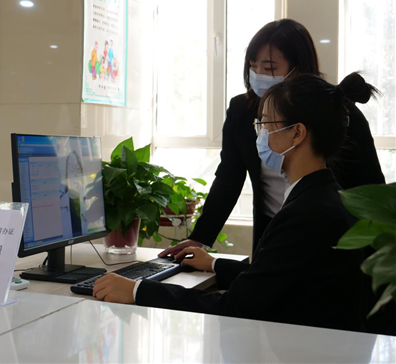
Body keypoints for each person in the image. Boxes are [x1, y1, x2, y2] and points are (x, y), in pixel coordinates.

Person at [92, 73, 376, 332]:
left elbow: (235, 308)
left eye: (266, 123)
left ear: (297, 133)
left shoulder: (305, 214)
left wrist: (137, 291)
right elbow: (275, 276)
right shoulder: (326, 195)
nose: (259, 133)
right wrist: (214, 264)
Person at [160, 19, 385, 257]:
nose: (258, 75)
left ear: (298, 68)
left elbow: (371, 191)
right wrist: (200, 238)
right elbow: (228, 178)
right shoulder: (242, 111)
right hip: (273, 233)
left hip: (333, 239)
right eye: (253, 66)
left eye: (268, 68)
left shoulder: (338, 113)